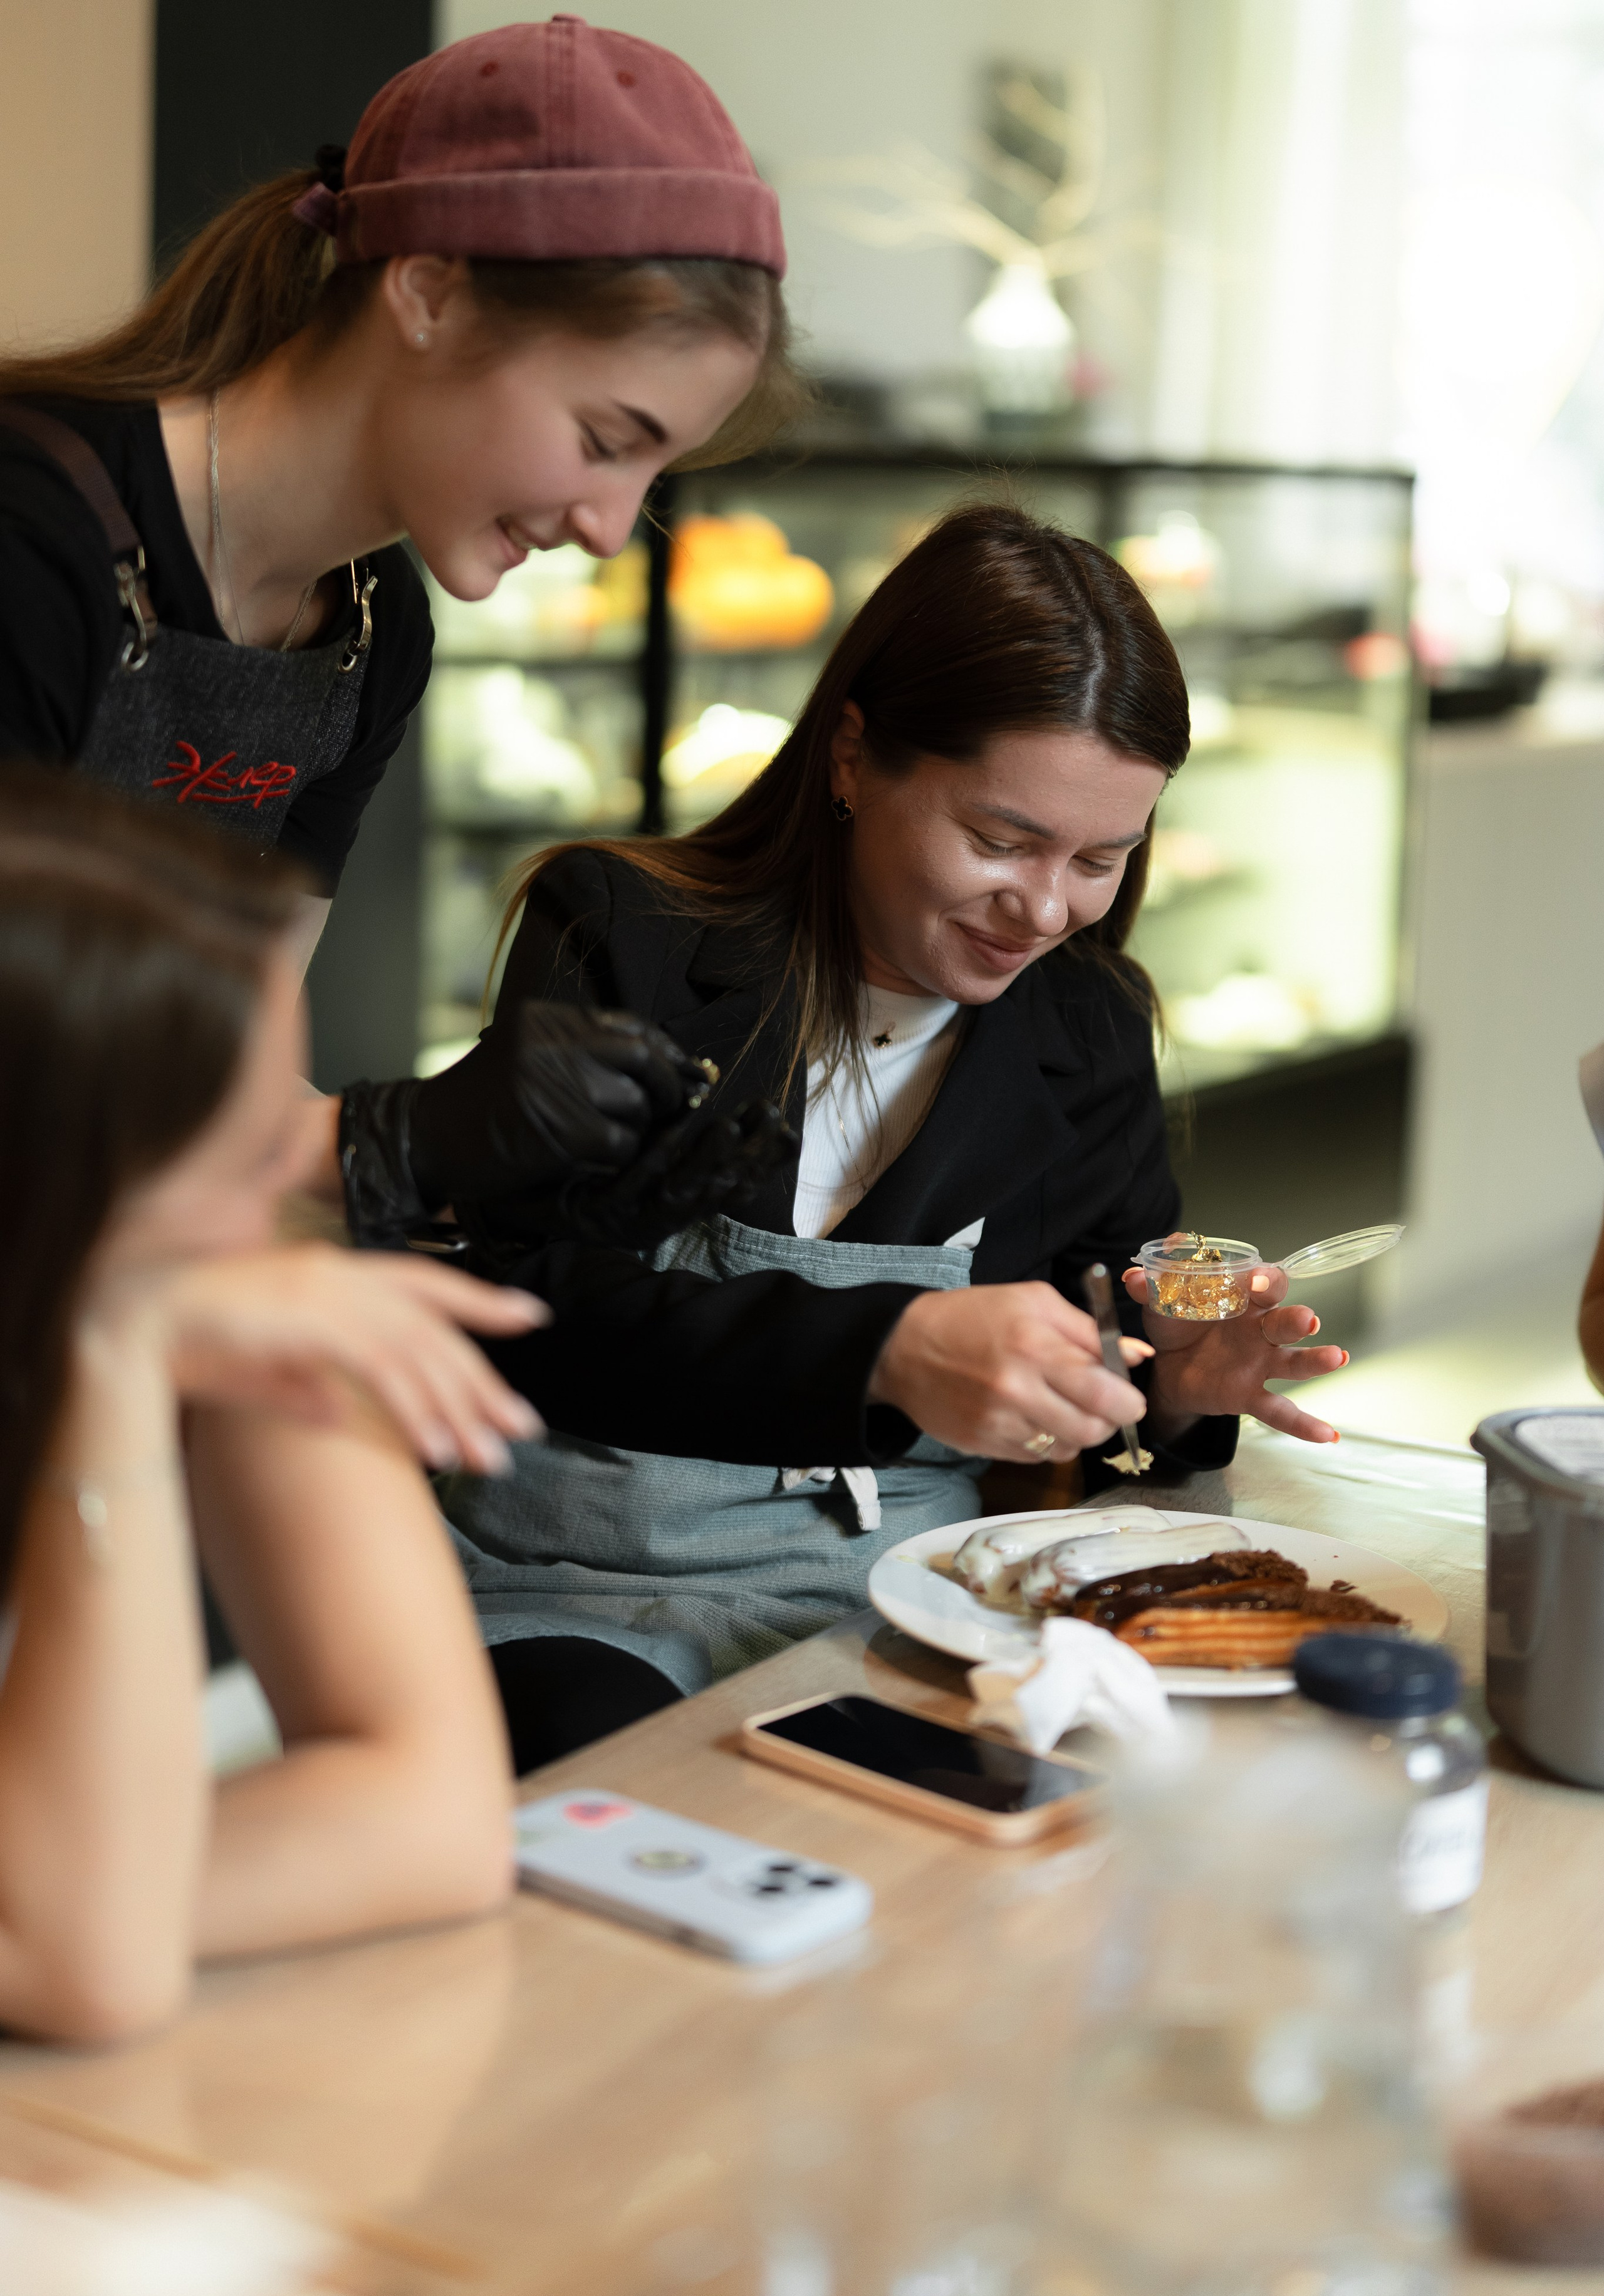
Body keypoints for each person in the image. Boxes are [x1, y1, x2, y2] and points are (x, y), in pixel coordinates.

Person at [434, 504, 1349, 1683]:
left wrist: (1173, 1386)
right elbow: (521, 1301)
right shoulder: (624, 936)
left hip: (907, 1607)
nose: (1046, 909)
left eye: (1100, 859)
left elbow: (1103, 1354)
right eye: (1000, 839)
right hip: (573, 1594)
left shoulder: (1088, 1030)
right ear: (854, 755)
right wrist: (886, 1349)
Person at [0, 14, 796, 1256]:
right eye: (602, 440)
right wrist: (390, 1142)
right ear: (427, 290)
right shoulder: (30, 539)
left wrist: (487, 1183)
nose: (608, 529)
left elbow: (226, 1092)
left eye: (656, 473)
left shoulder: (369, 636)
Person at [0, 766, 556, 2044]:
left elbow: (439, 1820)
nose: (297, 1217)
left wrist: (88, 1905)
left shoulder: (242, 1300)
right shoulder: (148, 1304)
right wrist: (118, 1344)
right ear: (68, 1188)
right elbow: (98, 1968)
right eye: (257, 1156)